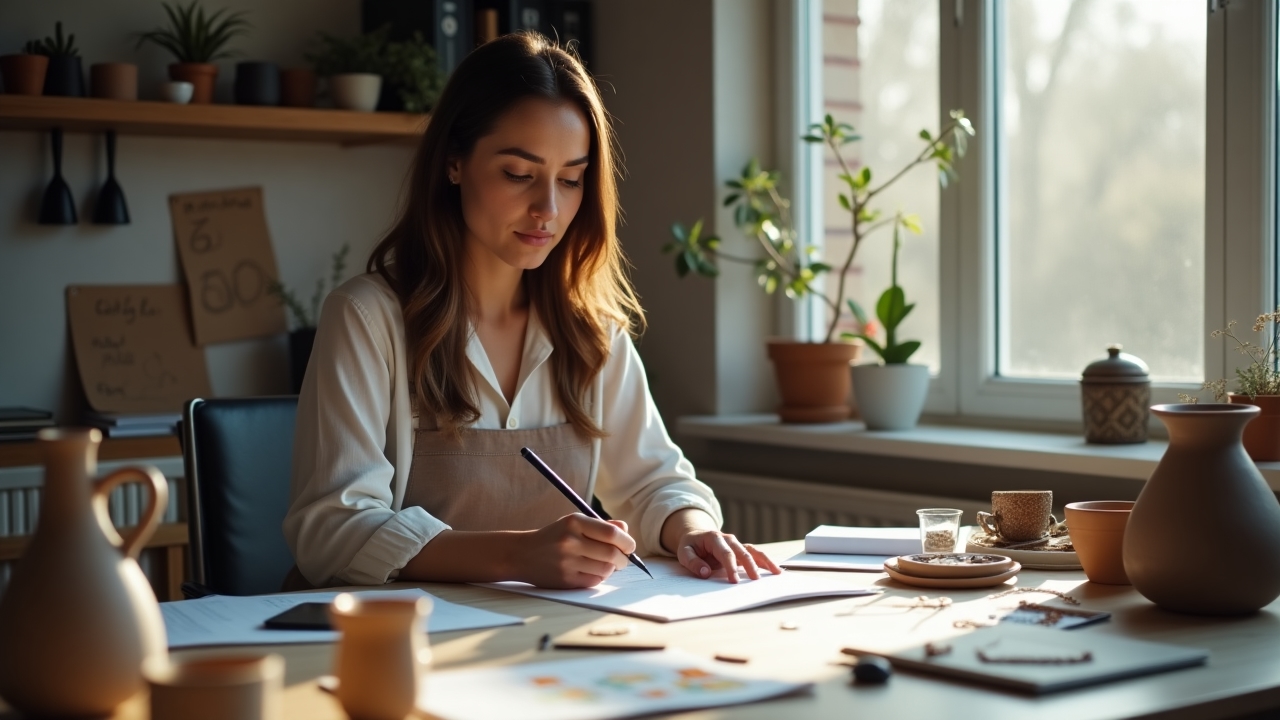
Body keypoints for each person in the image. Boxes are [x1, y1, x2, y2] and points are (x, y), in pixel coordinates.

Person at [283, 32, 781, 590]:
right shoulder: (367, 318)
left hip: (538, 643)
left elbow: (652, 482)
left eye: (570, 180)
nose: (548, 208)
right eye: (519, 174)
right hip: (402, 647)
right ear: (453, 163)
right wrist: (516, 558)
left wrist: (691, 530)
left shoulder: (592, 329)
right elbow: (333, 528)